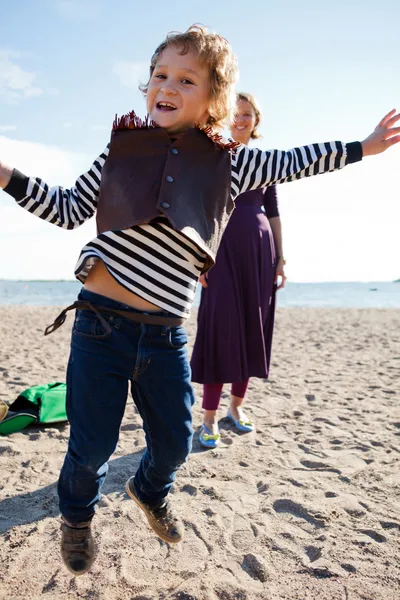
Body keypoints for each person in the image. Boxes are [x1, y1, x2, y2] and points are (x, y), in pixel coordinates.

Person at [0, 24, 399, 577]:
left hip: (165, 333)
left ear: (215, 99)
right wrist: (7, 176)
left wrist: (364, 147)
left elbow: (300, 159)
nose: (166, 85)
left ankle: (149, 490)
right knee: (90, 449)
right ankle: (77, 517)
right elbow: (66, 208)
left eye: (186, 79)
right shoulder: (120, 152)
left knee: (176, 444)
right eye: (159, 75)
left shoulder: (233, 165)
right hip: (99, 327)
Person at [191, 92, 286, 448]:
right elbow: (200, 210)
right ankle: (209, 417)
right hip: (221, 252)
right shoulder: (213, 157)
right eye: (235, 113)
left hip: (261, 253)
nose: (241, 119)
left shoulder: (266, 160)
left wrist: (281, 257)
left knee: (251, 330)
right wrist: (198, 257)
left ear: (255, 120)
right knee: (219, 330)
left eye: (247, 114)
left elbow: (273, 210)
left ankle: (236, 408)